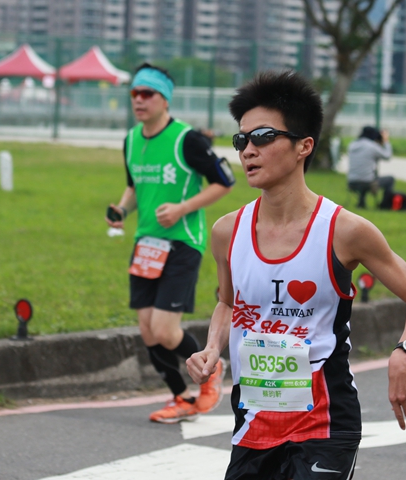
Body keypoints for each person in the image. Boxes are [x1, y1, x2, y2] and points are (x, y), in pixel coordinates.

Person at [186, 71, 406, 480]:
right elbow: (228, 303)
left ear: (304, 145)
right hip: (252, 423)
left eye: (263, 136)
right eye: (241, 140)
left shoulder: (345, 231)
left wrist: (404, 354)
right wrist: (212, 348)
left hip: (324, 424)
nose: (248, 150)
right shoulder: (226, 232)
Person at [106, 63, 236, 424]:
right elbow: (134, 186)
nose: (139, 100)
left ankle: (212, 369)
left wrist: (182, 208)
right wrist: (121, 209)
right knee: (147, 329)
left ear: (165, 99)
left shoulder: (187, 140)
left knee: (165, 329)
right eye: (134, 93)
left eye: (147, 94)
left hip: (183, 242)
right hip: (146, 243)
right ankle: (180, 396)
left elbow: (224, 181)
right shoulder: (131, 139)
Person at [346, 126, 394, 208]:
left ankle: (361, 203)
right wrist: (386, 141)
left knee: (364, 175)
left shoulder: (352, 145)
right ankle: (385, 205)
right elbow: (387, 156)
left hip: (351, 182)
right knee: (390, 179)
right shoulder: (372, 147)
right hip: (367, 183)